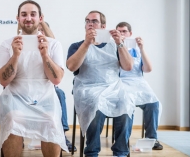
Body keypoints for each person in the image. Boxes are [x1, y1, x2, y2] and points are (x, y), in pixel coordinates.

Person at [0, 0, 68, 157]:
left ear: (40, 18)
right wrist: (15, 55)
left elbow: (57, 80)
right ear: (18, 18)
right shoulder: (7, 44)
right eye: (24, 15)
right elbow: (3, 80)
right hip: (15, 96)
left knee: (51, 120)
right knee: (12, 119)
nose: (28, 18)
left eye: (32, 14)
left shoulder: (54, 44)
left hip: (45, 96)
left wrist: (45, 55)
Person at [66, 11, 135, 157]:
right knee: (96, 103)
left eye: (94, 21)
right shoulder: (77, 45)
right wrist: (86, 44)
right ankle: (92, 151)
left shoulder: (114, 45)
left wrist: (120, 43)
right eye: (87, 21)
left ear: (103, 26)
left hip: (113, 87)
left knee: (127, 101)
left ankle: (121, 152)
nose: (90, 23)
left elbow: (128, 66)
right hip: (87, 87)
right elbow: (71, 67)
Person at [116, 22, 163, 150]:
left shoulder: (137, 49)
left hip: (138, 81)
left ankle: (151, 139)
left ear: (130, 34)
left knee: (153, 103)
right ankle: (123, 139)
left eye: (124, 31)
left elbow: (148, 69)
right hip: (121, 82)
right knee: (127, 104)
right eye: (119, 31)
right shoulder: (113, 48)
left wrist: (142, 48)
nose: (122, 34)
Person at [37, 21, 77, 152]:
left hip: (48, 86)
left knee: (60, 94)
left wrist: (42, 23)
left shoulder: (51, 46)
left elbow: (53, 40)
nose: (39, 32)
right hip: (28, 88)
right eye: (37, 29)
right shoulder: (23, 44)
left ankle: (62, 135)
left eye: (42, 30)